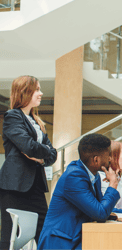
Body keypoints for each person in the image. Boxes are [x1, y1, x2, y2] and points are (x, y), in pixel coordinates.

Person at [0, 75, 57, 249]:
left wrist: (42, 155)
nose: (41, 93)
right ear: (25, 92)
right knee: (10, 235)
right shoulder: (12, 116)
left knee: (45, 232)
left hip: (36, 187)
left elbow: (53, 155)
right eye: (37, 90)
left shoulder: (36, 121)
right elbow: (28, 146)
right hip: (15, 187)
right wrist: (42, 153)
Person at [38, 134, 120, 250]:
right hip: (60, 243)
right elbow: (100, 213)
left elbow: (100, 206)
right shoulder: (74, 176)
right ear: (96, 160)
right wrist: (113, 185)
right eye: (108, 155)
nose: (110, 159)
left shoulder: (93, 176)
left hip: (75, 239)